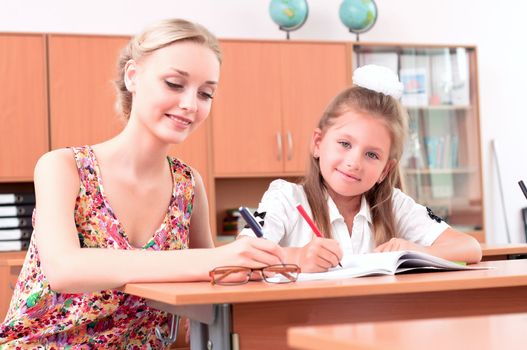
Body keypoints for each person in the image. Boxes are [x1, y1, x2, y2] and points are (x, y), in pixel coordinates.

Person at [0, 18, 284, 348]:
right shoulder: (63, 167)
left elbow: (207, 293)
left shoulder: (188, 185)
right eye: (175, 84)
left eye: (205, 93)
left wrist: (271, 261)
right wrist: (217, 259)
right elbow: (65, 269)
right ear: (133, 76)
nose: (190, 104)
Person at [239, 64, 482, 272]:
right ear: (318, 143)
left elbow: (470, 248)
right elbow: (243, 253)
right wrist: (297, 257)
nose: (354, 162)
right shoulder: (285, 198)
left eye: (371, 155)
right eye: (345, 144)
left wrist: (416, 250)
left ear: (385, 170)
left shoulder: (395, 205)